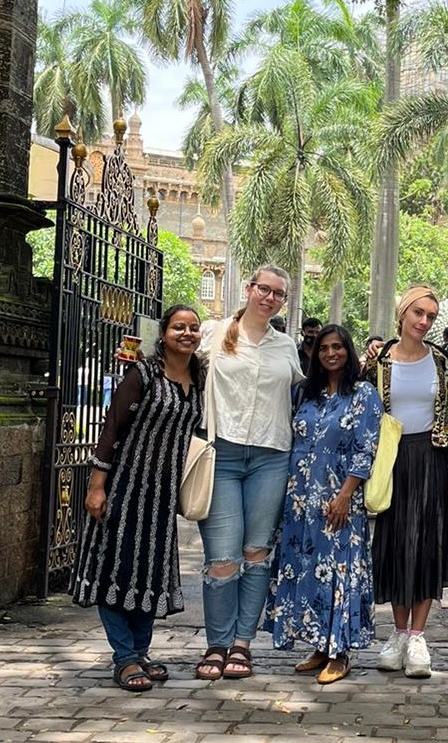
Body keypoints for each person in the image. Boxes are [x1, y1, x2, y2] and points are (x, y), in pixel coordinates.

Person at [71, 305, 205, 692]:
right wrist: (97, 486)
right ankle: (124, 657)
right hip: (125, 487)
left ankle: (140, 652)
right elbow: (113, 428)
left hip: (162, 497)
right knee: (115, 568)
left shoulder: (199, 377)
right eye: (179, 327)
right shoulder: (144, 373)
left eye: (194, 328)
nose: (187, 333)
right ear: (163, 334)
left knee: (150, 571)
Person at [194, 264, 303, 682]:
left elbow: (301, 395)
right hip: (221, 453)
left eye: (278, 294)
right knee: (222, 559)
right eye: (264, 289)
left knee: (255, 554)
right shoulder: (214, 333)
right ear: (248, 289)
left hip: (272, 456)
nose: (270, 298)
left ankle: (242, 644)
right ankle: (217, 643)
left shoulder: (286, 346)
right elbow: (172, 358)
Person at [265, 324, 383, 684]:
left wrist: (346, 494)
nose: (331, 353)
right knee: (308, 569)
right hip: (301, 502)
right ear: (315, 354)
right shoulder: (306, 395)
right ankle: (320, 645)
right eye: (324, 348)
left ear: (348, 351)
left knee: (339, 572)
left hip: (339, 498)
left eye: (338, 347)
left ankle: (340, 651)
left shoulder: (363, 394)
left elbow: (367, 449)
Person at [370, 286, 448, 679]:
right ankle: (398, 632)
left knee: (426, 543)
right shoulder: (379, 361)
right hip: (391, 457)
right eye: (418, 313)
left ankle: (418, 634)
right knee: (393, 542)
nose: (423, 321)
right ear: (402, 314)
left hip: (430, 456)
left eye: (431, 316)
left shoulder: (440, 360)